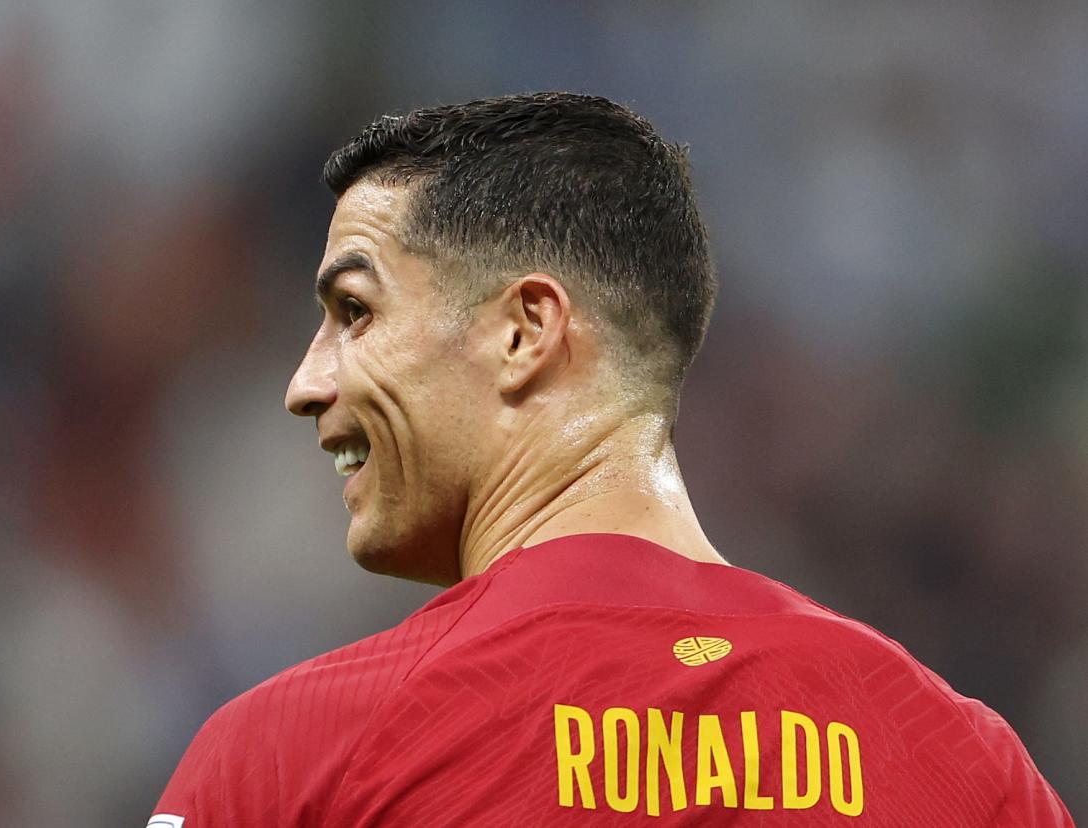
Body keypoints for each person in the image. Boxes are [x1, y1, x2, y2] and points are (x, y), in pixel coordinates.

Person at [150, 92, 1071, 826]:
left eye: (356, 313)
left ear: (524, 331)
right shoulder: (963, 763)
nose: (307, 383)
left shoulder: (300, 757)